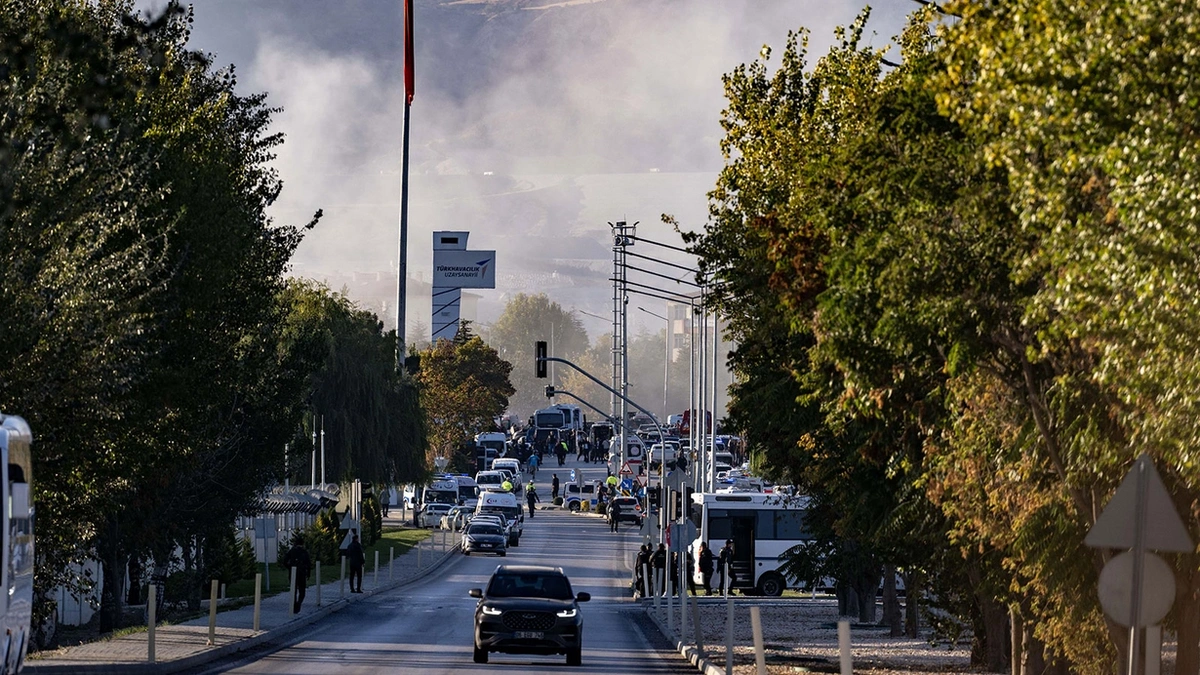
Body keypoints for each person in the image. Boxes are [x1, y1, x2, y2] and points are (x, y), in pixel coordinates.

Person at [282, 535, 312, 612]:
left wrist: (289, 567)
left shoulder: (292, 551)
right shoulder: (304, 552)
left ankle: (294, 604)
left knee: (293, 590)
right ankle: (298, 603)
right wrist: (308, 573)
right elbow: (308, 564)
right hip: (302, 573)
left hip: (293, 572)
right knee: (302, 591)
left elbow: (285, 561)